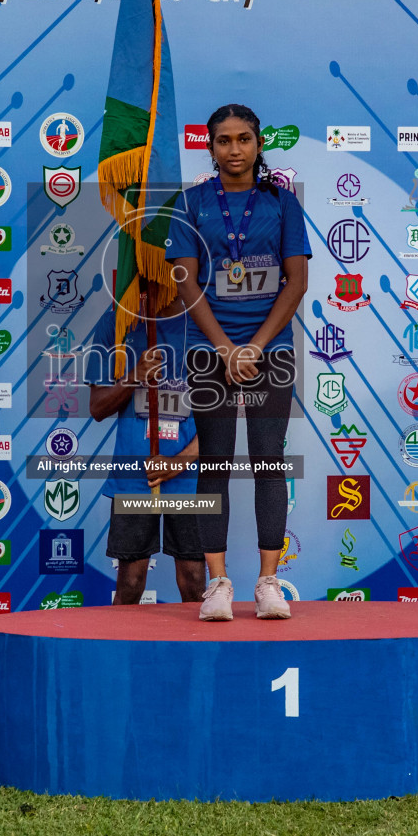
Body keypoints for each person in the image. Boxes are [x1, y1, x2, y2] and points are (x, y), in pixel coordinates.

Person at [167, 104, 310, 621]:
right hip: (211, 353)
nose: (234, 149)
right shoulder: (191, 203)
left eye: (244, 139)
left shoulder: (281, 203)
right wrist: (226, 348)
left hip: (270, 353)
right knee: (216, 462)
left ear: (258, 143)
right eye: (223, 140)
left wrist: (254, 347)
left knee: (269, 461)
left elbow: (296, 282)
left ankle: (269, 582)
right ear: (210, 147)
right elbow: (185, 282)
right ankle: (219, 584)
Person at [84, 291, 206, 604]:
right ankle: (121, 653)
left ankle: (200, 653)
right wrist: (134, 377)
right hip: (134, 478)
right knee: (130, 581)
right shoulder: (117, 324)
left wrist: (179, 462)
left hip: (190, 479)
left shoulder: (206, 325)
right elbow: (97, 407)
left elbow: (223, 419)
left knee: (194, 580)